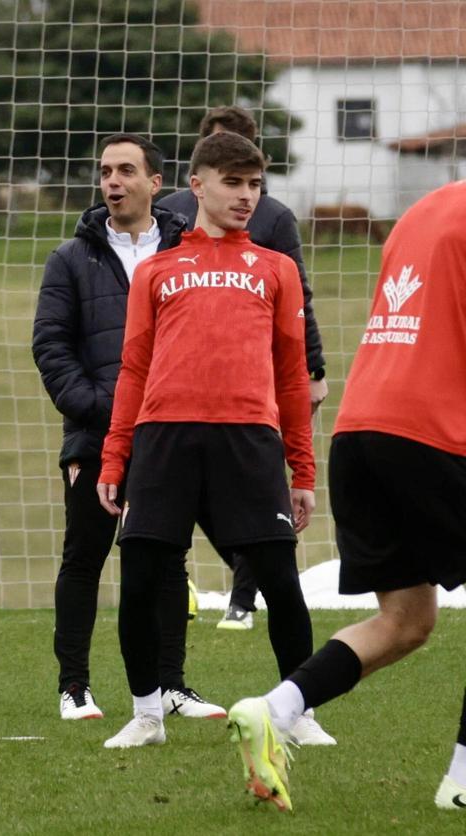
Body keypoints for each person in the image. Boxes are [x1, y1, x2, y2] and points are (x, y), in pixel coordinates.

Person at [227, 179, 466, 813]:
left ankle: (273, 711)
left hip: (362, 432)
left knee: (407, 621)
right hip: (433, 433)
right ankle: (464, 781)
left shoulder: (423, 209)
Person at [96, 131, 332, 749]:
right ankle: (147, 714)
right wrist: (115, 453)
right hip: (164, 439)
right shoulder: (156, 270)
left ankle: (296, 711)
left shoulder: (275, 269)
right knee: (143, 575)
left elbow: (291, 375)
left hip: (249, 441)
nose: (246, 196)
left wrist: (302, 471)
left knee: (280, 577)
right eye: (233, 182)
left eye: (255, 184)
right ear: (197, 186)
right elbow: (134, 368)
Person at [33, 134, 227, 722]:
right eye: (104, 173)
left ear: (155, 182)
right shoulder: (71, 258)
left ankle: (171, 685)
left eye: (124, 171)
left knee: (168, 560)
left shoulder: (191, 251)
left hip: (171, 433)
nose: (112, 182)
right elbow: (51, 346)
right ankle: (75, 688)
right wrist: (96, 406)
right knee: (85, 556)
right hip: (95, 435)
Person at [158, 106, 328, 631]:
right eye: (224, 165)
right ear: (199, 173)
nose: (242, 192)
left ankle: (244, 596)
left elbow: (298, 296)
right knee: (183, 519)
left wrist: (313, 367)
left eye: (250, 177)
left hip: (253, 392)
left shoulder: (273, 219)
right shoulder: (171, 214)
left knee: (264, 515)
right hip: (179, 400)